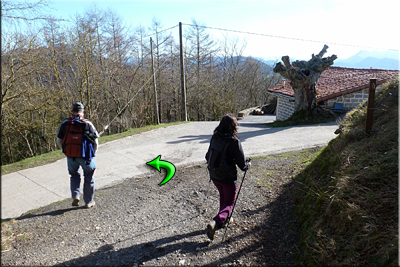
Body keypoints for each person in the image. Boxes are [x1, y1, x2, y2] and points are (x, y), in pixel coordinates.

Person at [205, 114, 251, 240]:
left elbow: (207, 155)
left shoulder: (214, 138)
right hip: (228, 177)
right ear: (233, 127)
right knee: (230, 202)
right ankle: (216, 221)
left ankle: (224, 219)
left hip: (214, 175)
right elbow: (242, 165)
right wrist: (248, 165)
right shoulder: (234, 141)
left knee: (223, 196)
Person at [56, 102, 99, 208]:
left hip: (71, 156)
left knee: (74, 175)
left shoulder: (65, 123)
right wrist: (93, 153)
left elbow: (59, 140)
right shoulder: (88, 123)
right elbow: (96, 142)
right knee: (89, 177)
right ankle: (89, 202)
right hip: (86, 156)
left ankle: (76, 195)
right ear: (83, 111)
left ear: (72, 111)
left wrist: (66, 151)